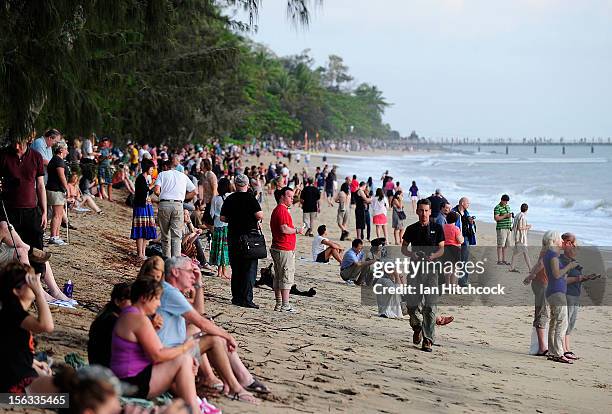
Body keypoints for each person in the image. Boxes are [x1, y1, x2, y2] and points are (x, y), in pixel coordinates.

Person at [158, 257, 262, 404]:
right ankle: (234, 387)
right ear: (175, 272)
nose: (193, 275)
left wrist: (199, 283)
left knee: (213, 337)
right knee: (214, 338)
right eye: (190, 272)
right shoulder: (170, 293)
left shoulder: (171, 291)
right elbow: (201, 322)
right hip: (169, 354)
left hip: (174, 349)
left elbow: (199, 312)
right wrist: (228, 337)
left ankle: (233, 385)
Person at [109, 278, 202, 413]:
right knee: (184, 359)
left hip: (128, 376)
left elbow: (158, 350)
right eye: (157, 299)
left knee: (184, 359)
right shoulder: (139, 319)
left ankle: (190, 406)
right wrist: (185, 347)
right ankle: (194, 409)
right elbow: (157, 356)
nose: (159, 304)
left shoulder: (131, 314)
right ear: (144, 298)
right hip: (132, 382)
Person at [0, 261, 56, 393]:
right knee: (66, 390)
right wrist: (39, 294)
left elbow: (15, 353)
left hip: (18, 377)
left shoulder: (12, 312)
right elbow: (47, 326)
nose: (35, 284)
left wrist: (35, 364)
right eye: (29, 281)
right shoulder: (13, 313)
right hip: (15, 385)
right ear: (17, 290)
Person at [401, 198, 445, 353]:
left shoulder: (438, 228)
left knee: (430, 306)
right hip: (415, 270)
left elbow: (441, 249)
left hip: (432, 270)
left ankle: (428, 339)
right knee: (412, 305)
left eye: (426, 211)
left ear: (430, 211)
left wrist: (433, 256)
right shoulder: (411, 228)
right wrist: (412, 254)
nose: (424, 213)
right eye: (421, 210)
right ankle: (417, 327)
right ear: (417, 211)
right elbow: (404, 249)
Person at [220, 174, 264, 308]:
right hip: (248, 236)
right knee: (249, 268)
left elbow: (222, 218)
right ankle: (247, 298)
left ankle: (237, 297)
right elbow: (259, 215)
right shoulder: (250, 198)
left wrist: (234, 219)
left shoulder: (230, 198)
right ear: (247, 185)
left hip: (233, 235)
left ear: (235, 184)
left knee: (237, 268)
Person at [541, 230, 578, 364]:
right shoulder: (553, 256)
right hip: (557, 292)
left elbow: (556, 275)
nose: (561, 242)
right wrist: (570, 266)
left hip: (553, 291)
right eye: (559, 240)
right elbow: (557, 274)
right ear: (554, 240)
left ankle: (553, 351)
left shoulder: (548, 254)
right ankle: (558, 352)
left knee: (554, 322)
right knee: (562, 322)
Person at [154, 160, 197, 258]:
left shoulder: (162, 174)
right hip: (178, 205)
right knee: (177, 236)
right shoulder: (183, 176)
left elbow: (156, 190)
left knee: (165, 235)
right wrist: (182, 197)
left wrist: (162, 196)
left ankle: (166, 259)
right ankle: (175, 261)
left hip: (164, 204)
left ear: (166, 166)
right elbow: (194, 192)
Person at [270, 187, 303, 313]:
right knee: (285, 277)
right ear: (282, 197)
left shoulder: (280, 210)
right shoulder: (281, 210)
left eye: (292, 196)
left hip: (280, 247)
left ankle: (279, 304)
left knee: (279, 277)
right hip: (283, 248)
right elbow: (284, 229)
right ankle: (285, 305)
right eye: (289, 196)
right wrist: (297, 230)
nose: (292, 199)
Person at [88, 282, 131, 367]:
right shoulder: (112, 322)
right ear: (118, 301)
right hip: (105, 369)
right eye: (131, 301)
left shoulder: (107, 314)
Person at [131, 159, 157, 260]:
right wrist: (152, 186)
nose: (152, 170)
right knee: (140, 229)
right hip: (141, 206)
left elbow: (147, 193)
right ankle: (140, 253)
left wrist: (151, 188)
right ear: (147, 168)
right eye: (151, 168)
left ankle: (143, 252)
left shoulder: (146, 179)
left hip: (147, 206)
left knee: (146, 230)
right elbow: (142, 192)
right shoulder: (140, 178)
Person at [46, 141, 70, 246]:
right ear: (61, 150)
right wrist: (67, 188)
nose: (67, 152)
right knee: (57, 214)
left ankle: (56, 235)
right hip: (56, 190)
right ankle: (54, 236)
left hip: (54, 189)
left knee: (58, 214)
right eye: (66, 149)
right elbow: (61, 176)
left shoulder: (55, 160)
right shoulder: (58, 161)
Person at [210, 177, 232, 279]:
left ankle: (219, 271)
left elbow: (212, 213)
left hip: (217, 224)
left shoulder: (215, 198)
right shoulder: (230, 197)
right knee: (225, 248)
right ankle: (224, 271)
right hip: (226, 225)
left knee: (218, 247)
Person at [442, 211, 464, 285]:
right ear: (456, 220)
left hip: (445, 249)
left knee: (447, 268)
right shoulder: (456, 229)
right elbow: (460, 240)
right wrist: (462, 238)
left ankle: (447, 285)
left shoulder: (443, 227)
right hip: (454, 249)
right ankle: (453, 286)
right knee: (455, 269)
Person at [509, 203, 532, 273]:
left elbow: (513, 227)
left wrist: (525, 226)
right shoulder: (523, 216)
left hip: (516, 236)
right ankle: (531, 269)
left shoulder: (517, 215)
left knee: (517, 253)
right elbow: (520, 227)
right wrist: (528, 227)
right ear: (527, 209)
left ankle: (512, 268)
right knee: (524, 253)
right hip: (521, 238)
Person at [494, 194, 513, 265]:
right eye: (505, 201)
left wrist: (510, 216)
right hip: (501, 228)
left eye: (507, 201)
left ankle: (504, 259)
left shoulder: (507, 207)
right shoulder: (497, 207)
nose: (506, 203)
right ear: (502, 200)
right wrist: (505, 216)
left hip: (508, 228)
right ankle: (499, 260)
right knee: (500, 245)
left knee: (506, 245)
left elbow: (508, 215)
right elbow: (496, 218)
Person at [199, 158, 218, 231]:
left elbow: (214, 189)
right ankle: (213, 233)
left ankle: (214, 234)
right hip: (207, 201)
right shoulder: (204, 175)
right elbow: (205, 189)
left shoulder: (211, 175)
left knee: (209, 221)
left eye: (202, 164)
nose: (200, 165)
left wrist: (213, 201)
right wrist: (203, 200)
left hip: (212, 201)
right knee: (206, 220)